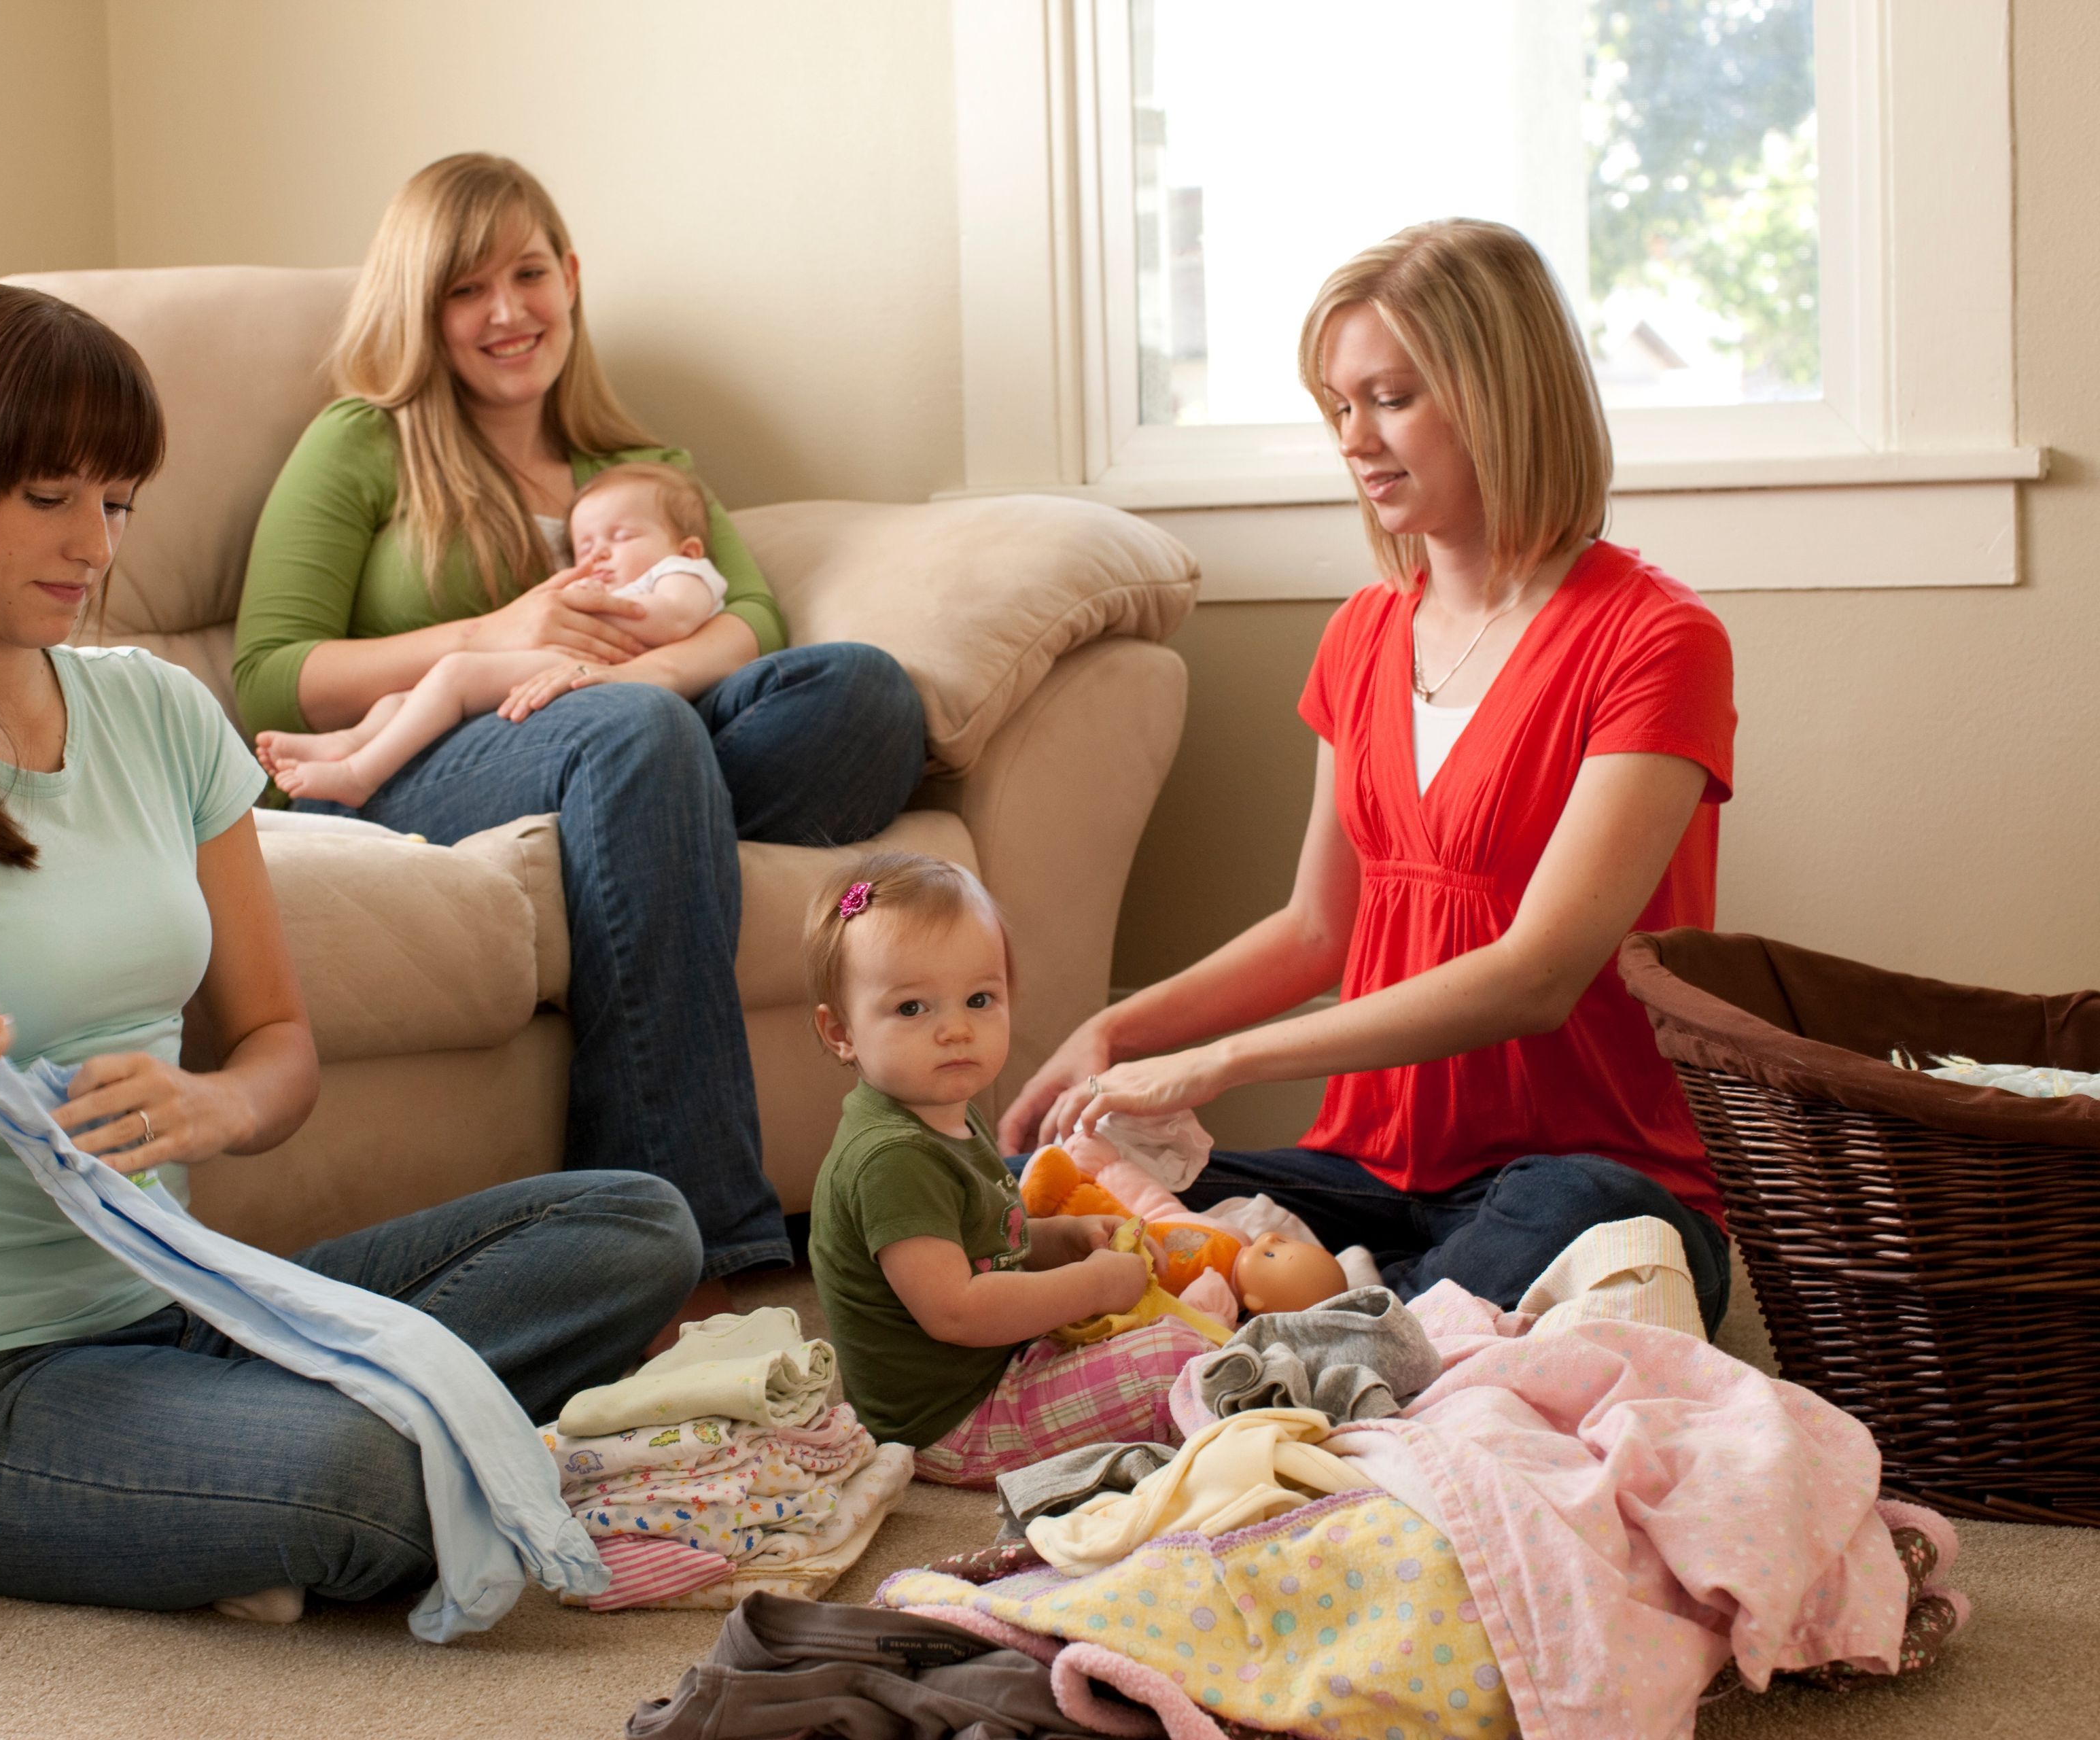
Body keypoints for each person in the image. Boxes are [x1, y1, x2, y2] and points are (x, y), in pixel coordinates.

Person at [0, 283, 701, 1623]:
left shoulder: (162, 714)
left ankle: (227, 1475)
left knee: (638, 1223)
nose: (95, 545)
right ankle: (283, 1468)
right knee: (367, 1474)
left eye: (117, 501)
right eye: (51, 496)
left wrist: (217, 1102)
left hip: (193, 1302)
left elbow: (276, 1044)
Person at [1002, 220, 1739, 1333]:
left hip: (1577, 1178)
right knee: (1046, 1193)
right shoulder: (1360, 635)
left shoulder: (1658, 640)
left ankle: (1295, 1331)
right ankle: (1363, 1329)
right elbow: (1316, 931)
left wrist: (1212, 1064)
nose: (1356, 437)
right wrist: (1118, 1036)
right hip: (1373, 1179)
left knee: (1587, 1213)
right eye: (1338, 406)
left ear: (1502, 395)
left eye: (1390, 398)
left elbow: (1536, 974)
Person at [232, 153, 928, 1308]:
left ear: (573, 279)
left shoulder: (642, 468)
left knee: (863, 694)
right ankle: (692, 1252)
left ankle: (644, 806)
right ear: (421, 308)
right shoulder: (365, 440)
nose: (507, 312)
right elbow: (271, 678)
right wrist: (507, 626)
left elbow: (751, 614)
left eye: (529, 273)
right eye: (466, 289)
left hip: (632, 731)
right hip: (419, 762)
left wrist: (647, 673)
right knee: (639, 742)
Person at [803, 853, 1214, 1488]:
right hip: (951, 1425)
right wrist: (1096, 1287)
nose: (956, 1030)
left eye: (979, 999)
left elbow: (980, 1245)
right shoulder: (891, 1159)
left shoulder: (941, 1118)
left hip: (998, 1369)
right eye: (913, 1008)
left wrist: (1061, 1241)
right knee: (1175, 1358)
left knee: (1170, 1320)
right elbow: (958, 1311)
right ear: (841, 1033)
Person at [252, 461, 731, 807]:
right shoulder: (620, 579)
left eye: (621, 537)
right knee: (402, 698)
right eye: (586, 545)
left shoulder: (682, 572)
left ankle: (360, 774)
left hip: (595, 673)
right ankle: (352, 741)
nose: (601, 554)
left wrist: (592, 606)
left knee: (456, 673)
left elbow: (675, 618)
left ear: (687, 548)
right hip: (565, 671)